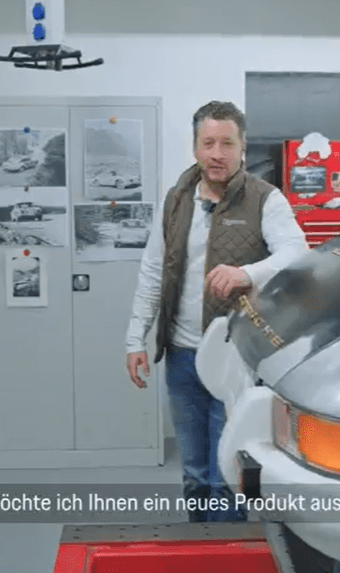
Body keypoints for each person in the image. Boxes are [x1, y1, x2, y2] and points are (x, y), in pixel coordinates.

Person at [124, 100, 309, 523]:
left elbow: (297, 254)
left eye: (227, 143)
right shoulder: (175, 201)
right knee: (194, 471)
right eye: (208, 142)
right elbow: (153, 272)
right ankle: (199, 549)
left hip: (235, 359)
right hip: (181, 356)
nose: (217, 153)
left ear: (242, 148)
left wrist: (248, 272)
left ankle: (226, 554)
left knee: (227, 474)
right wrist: (135, 338)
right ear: (194, 147)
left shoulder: (266, 199)